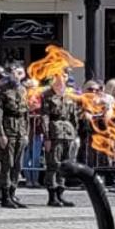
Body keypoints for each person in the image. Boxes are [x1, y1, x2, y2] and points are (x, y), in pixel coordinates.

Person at [0, 71, 31, 208]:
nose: (16, 76)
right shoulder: (1, 91)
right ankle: (5, 195)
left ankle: (13, 193)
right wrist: (0, 134)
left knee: (18, 165)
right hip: (8, 131)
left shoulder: (23, 90)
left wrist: (26, 133)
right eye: (13, 73)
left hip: (20, 131)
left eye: (19, 73)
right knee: (7, 164)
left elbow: (26, 115)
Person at [39, 74, 81, 206]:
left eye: (63, 78)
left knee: (64, 164)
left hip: (68, 133)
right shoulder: (47, 95)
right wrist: (46, 136)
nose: (60, 81)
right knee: (53, 164)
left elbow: (73, 116)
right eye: (57, 78)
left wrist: (75, 134)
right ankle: (52, 196)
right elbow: (45, 116)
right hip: (54, 133)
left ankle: (60, 194)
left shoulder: (69, 95)